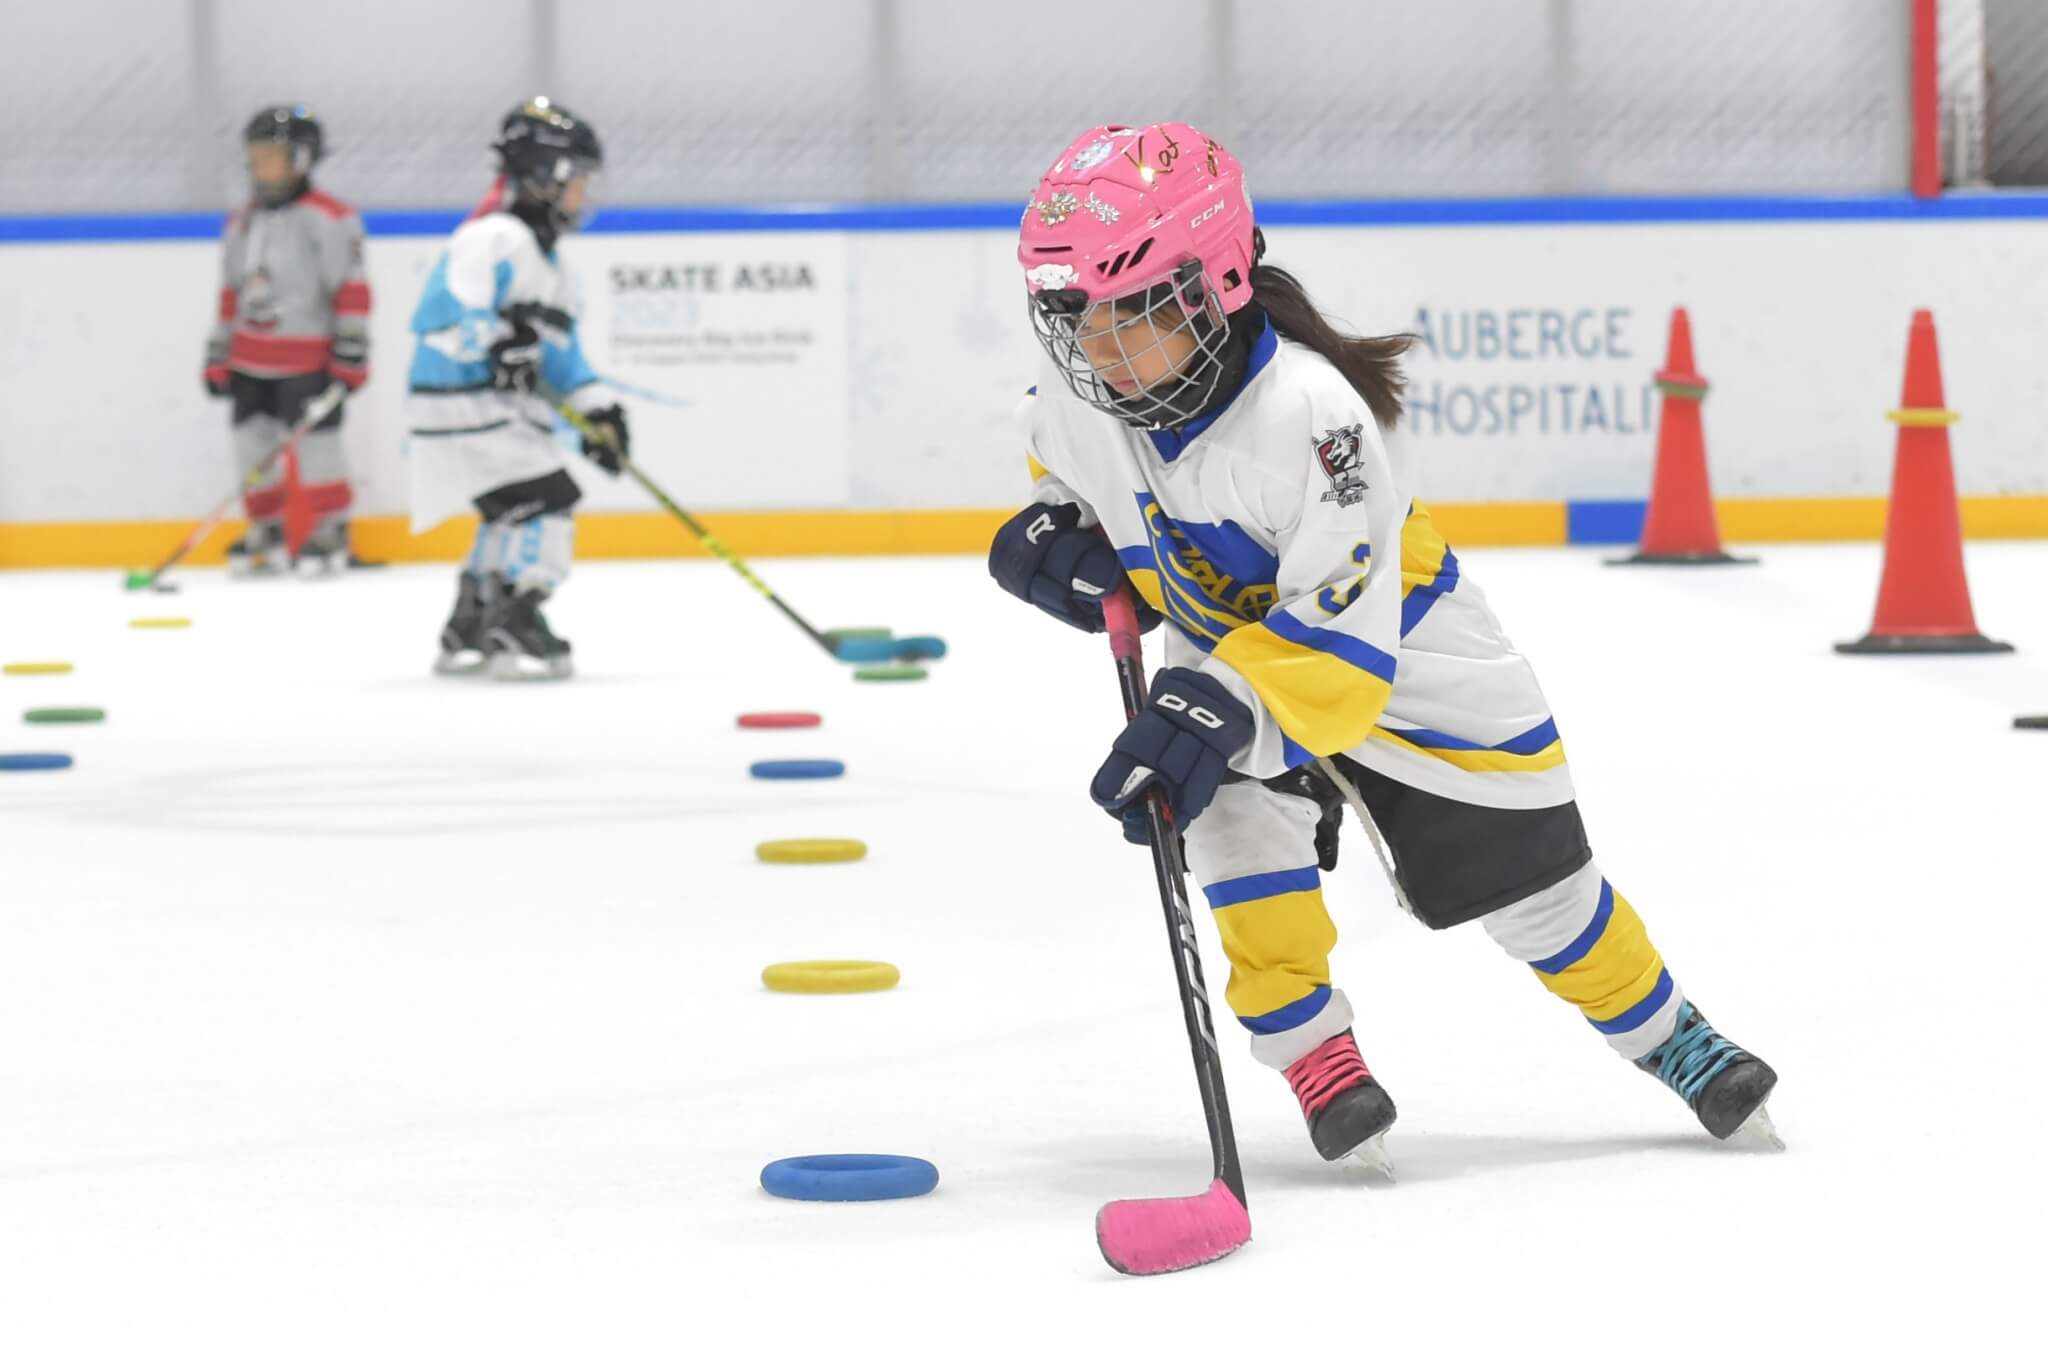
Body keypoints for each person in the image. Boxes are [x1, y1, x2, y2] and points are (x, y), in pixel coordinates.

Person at [989, 123, 1778, 1167]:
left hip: (1407, 662)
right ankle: (1315, 1055)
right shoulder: (1078, 404)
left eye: (1128, 312)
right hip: (1226, 659)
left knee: (1540, 893)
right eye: (1077, 317)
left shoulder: (1313, 416)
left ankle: (1669, 1035)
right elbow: (1068, 487)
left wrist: (1211, 702)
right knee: (1231, 839)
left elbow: (1341, 633)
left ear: (1212, 283)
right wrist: (1055, 544)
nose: (1099, 348)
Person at [405, 98, 627, 681]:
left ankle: (473, 617)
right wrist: (501, 344)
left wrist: (601, 413)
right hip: (464, 404)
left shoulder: (558, 269)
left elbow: (563, 362)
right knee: (551, 500)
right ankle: (518, 610)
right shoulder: (491, 237)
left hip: (493, 413)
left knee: (510, 510)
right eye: (577, 179)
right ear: (546, 175)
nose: (583, 193)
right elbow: (443, 315)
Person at [204, 104, 369, 574]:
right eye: (254, 155)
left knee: (318, 447)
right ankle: (266, 527)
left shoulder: (330, 218)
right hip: (249, 360)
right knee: (250, 446)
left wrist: (351, 352)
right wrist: (219, 352)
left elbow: (351, 289)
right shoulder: (242, 221)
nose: (259, 166)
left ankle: (330, 527)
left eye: (271, 156)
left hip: (308, 360)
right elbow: (231, 291)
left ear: (301, 160)